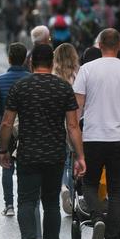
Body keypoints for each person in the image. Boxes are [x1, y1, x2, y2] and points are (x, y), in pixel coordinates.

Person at [0, 43, 85, 239]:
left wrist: (3, 150)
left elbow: (7, 122)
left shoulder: (20, 86)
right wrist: (80, 156)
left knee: (27, 202)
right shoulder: (63, 87)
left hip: (28, 154)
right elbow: (73, 125)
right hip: (55, 154)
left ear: (31, 62)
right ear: (51, 62)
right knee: (51, 204)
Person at [73, 29, 120, 239]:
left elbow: (78, 106)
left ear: (99, 44)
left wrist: (75, 132)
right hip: (118, 137)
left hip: (92, 136)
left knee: (89, 183)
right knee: (115, 188)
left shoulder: (86, 69)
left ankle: (96, 217)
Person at [0, 43, 32, 217]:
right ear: (25, 59)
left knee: (6, 165)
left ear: (8, 58)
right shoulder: (31, 78)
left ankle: (9, 205)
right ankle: (24, 202)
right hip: (27, 128)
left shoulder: (0, 80)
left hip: (6, 128)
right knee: (25, 167)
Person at [52, 42, 80, 214]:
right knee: (73, 160)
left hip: (57, 121)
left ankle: (62, 187)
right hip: (74, 121)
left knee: (62, 161)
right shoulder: (78, 74)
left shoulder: (53, 75)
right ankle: (70, 196)